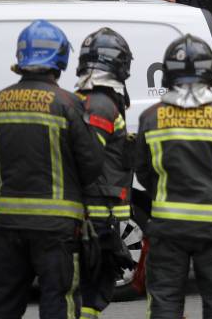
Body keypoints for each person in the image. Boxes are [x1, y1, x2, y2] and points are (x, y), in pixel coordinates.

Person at [0, 20, 104, 319]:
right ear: (60, 58)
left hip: (9, 223)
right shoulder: (67, 103)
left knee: (5, 303)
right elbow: (92, 165)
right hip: (56, 228)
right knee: (57, 300)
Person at [135, 34, 212, 319]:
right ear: (209, 73)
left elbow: (143, 171)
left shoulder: (151, 117)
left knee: (165, 302)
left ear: (168, 73)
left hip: (168, 227)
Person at [74, 27, 135, 319]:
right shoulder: (99, 102)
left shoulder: (95, 98)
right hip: (97, 210)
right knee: (93, 282)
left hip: (98, 209)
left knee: (94, 283)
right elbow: (89, 159)